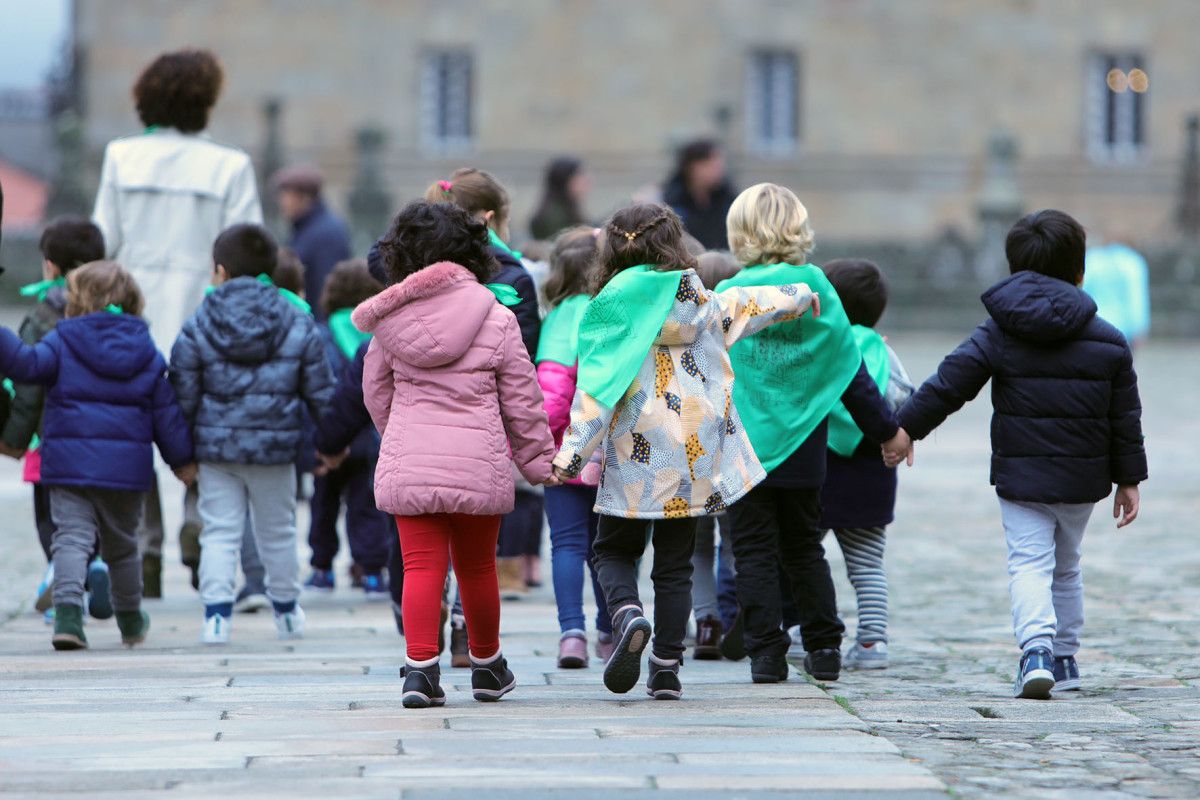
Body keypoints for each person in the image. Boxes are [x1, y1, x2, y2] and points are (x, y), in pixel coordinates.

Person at [552, 203, 818, 701]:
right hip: (694, 451)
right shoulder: (701, 301)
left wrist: (568, 457)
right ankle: (667, 667)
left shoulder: (608, 310)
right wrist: (802, 295)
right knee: (675, 565)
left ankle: (628, 613)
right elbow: (752, 301)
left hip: (635, 452)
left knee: (612, 550)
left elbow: (596, 392)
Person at [890, 209, 1147, 699]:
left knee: (1029, 563)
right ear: (1080, 271)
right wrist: (1129, 479)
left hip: (1021, 475)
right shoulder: (1109, 340)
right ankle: (1066, 659)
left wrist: (905, 429)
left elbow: (951, 383)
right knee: (1067, 565)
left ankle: (1036, 651)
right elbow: (1125, 419)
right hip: (1081, 480)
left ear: (1016, 269)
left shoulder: (999, 331)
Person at [354, 201, 555, 709]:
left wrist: (399, 432)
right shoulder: (496, 315)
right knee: (478, 568)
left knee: (420, 566)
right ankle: (487, 667)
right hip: (478, 461)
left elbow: (375, 391)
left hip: (411, 457)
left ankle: (420, 672)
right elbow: (523, 398)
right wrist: (536, 460)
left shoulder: (391, 319)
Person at [717, 184, 905, 686]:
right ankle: (823, 646)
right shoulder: (818, 287)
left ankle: (766, 654)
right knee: (803, 547)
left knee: (753, 552)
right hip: (804, 448)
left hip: (746, 448)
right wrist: (888, 431)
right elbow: (850, 372)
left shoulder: (731, 295)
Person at [91, 48, 263, 597]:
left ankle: (145, 547)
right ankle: (196, 520)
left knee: (135, 431)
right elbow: (247, 252)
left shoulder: (121, 157)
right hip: (204, 322)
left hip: (133, 320)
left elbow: (104, 245)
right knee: (203, 431)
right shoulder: (229, 164)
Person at [0, 261, 195, 650]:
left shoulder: (62, 340)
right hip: (125, 473)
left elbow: (26, 366)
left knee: (70, 539)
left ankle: (69, 615)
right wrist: (182, 462)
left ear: (77, 300)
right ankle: (130, 619)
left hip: (68, 467)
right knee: (122, 547)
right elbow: (166, 415)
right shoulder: (146, 350)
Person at [170, 224, 335, 645]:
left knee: (220, 530)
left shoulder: (199, 321)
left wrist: (181, 452)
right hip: (276, 448)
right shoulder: (294, 317)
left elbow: (182, 393)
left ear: (220, 270)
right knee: (278, 530)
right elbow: (320, 391)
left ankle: (216, 617)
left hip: (217, 451)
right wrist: (331, 443)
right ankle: (287, 612)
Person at [427, 169, 543, 645]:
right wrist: (534, 449)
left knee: (425, 553)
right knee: (477, 555)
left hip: (423, 427)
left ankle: (420, 654)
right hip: (485, 426)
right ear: (492, 219)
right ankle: (474, 648)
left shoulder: (414, 276)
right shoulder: (512, 278)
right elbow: (523, 368)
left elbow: (373, 374)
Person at [1, 218, 107, 617]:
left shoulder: (45, 316)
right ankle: (96, 564)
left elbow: (27, 388)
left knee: (51, 517)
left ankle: (62, 582)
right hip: (104, 440)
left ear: (50, 267)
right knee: (93, 512)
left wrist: (13, 439)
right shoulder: (118, 312)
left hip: (52, 440)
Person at [819, 259, 914, 670]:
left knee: (802, 557)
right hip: (872, 474)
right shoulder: (885, 352)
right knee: (867, 566)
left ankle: (801, 634)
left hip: (821, 473)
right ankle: (873, 644)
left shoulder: (822, 345)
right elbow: (905, 402)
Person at [536, 227, 613, 668]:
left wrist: (548, 444)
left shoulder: (559, 317)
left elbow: (551, 392)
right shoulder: (611, 311)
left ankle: (571, 635)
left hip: (565, 450)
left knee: (566, 543)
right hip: (612, 451)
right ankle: (609, 629)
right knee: (607, 547)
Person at [304, 259, 391, 599]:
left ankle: (321, 570)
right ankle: (371, 573)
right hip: (368, 438)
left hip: (328, 435)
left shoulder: (321, 334)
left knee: (323, 506)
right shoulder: (375, 333)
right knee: (366, 507)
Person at [688, 249, 742, 659]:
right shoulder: (738, 331)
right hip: (730, 453)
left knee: (698, 547)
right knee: (735, 541)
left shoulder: (682, 329)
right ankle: (738, 612)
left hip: (691, 454)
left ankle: (706, 623)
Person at [273, 166, 352, 319]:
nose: (282, 202)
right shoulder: (304, 228)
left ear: (305, 197)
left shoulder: (325, 233)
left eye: (287, 195)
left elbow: (325, 287)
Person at [662, 139, 737, 250]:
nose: (720, 171)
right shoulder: (671, 204)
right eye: (714, 166)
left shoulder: (727, 200)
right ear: (695, 167)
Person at [1083, 235, 1151, 348]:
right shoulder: (1132, 262)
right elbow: (1137, 298)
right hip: (1124, 330)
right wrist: (1140, 328)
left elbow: (1083, 292)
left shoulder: (1093, 260)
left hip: (1094, 325)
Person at [530, 157, 590, 241]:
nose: (587, 180)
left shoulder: (569, 210)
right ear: (565, 180)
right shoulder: (554, 218)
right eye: (580, 175)